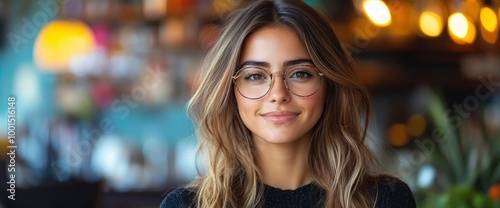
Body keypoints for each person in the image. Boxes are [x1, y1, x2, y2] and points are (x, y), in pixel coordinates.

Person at [161, 0, 417, 207]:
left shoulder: (384, 200)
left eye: (300, 73)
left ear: (329, 85)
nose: (278, 94)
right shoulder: (186, 205)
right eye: (255, 76)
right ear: (230, 91)